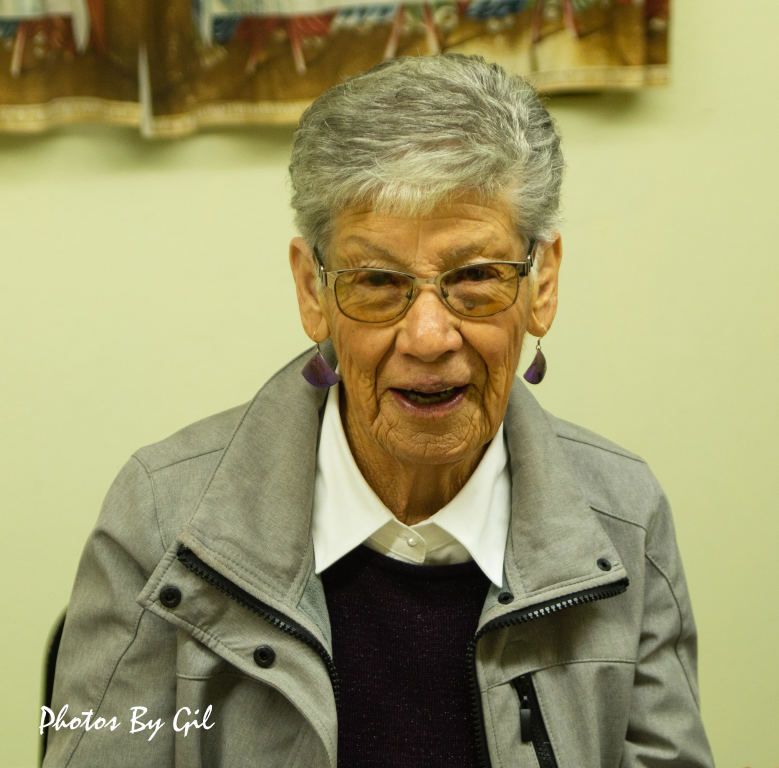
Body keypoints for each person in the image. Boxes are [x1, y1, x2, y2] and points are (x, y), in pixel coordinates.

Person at [42, 54, 714, 768]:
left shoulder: (622, 519)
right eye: (376, 282)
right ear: (312, 291)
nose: (428, 337)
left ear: (541, 285)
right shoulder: (163, 518)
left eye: (476, 278)